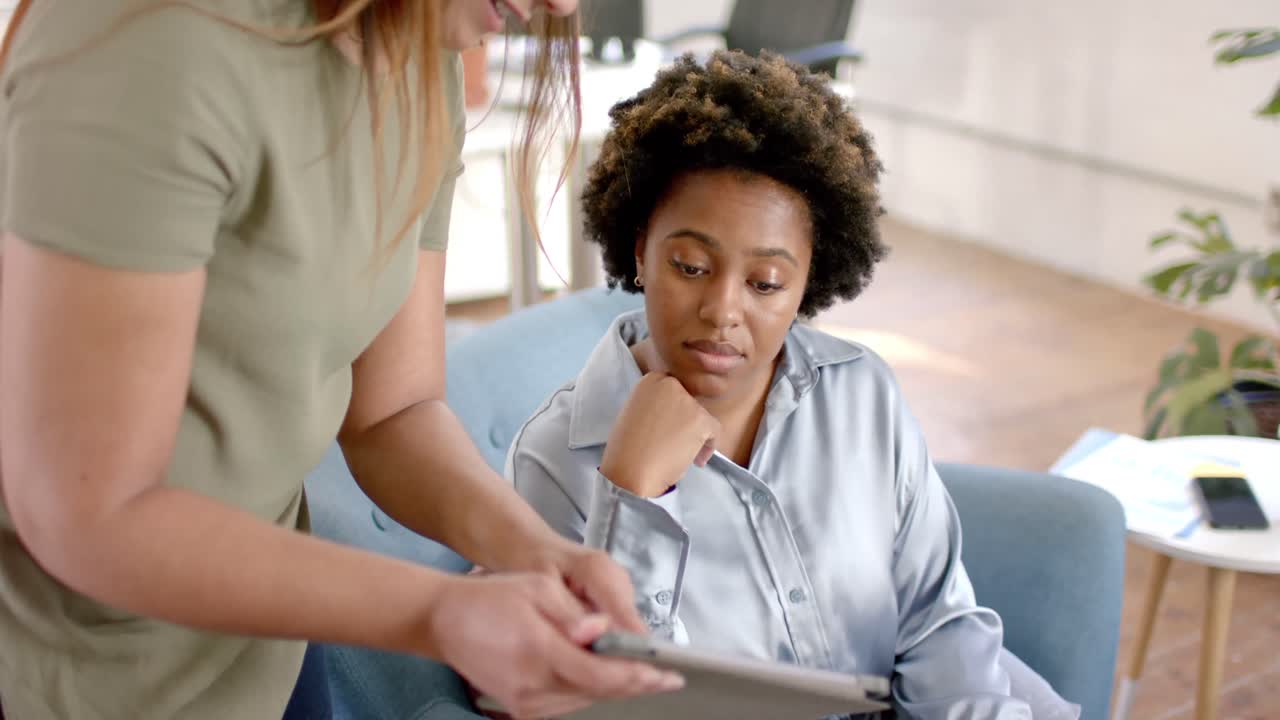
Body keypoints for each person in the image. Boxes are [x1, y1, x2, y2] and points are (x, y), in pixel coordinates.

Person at [0, 1, 681, 718]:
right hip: (66, 667)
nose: (563, 6)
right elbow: (91, 512)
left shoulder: (416, 51)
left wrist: (537, 553)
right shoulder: (153, 38)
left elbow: (393, 411)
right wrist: (438, 613)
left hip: (267, 633)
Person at [508, 50, 1082, 719]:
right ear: (641, 248)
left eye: (766, 283)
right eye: (691, 266)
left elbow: (935, 624)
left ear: (810, 281)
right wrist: (632, 498)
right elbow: (612, 705)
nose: (723, 311)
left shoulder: (861, 395)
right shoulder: (555, 461)